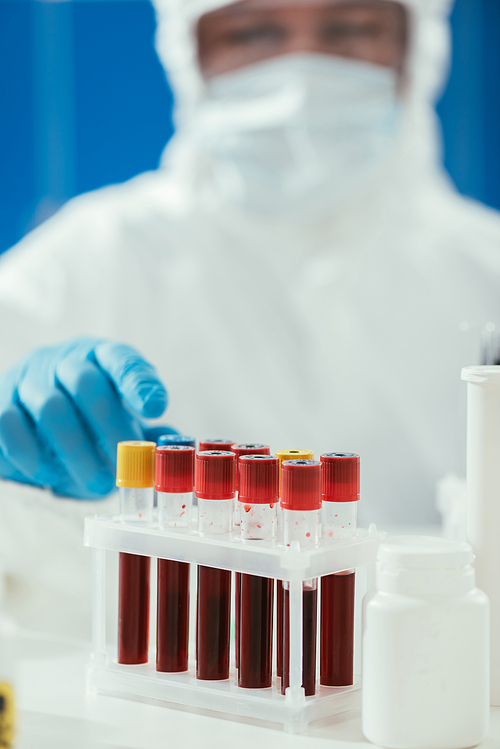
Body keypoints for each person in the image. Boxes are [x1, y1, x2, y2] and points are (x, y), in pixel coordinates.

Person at [0, 0, 499, 635]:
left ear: (417, 49)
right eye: (252, 31)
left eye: (351, 28)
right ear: (192, 54)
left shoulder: (488, 270)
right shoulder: (92, 257)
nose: (301, 75)